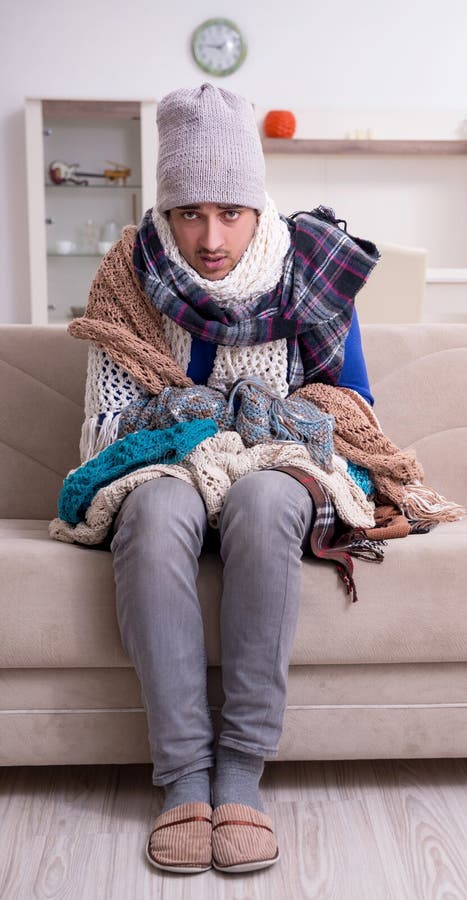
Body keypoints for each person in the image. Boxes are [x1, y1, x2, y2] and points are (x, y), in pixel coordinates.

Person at [69, 83, 381, 873]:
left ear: (257, 206)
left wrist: (252, 419)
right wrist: (203, 420)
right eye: (189, 213)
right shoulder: (127, 277)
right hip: (164, 465)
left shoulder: (310, 270)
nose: (210, 238)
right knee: (154, 511)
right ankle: (183, 780)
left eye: (230, 213)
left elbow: (349, 406)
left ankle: (240, 772)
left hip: (276, 463)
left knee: (265, 496)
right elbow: (108, 426)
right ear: (164, 210)